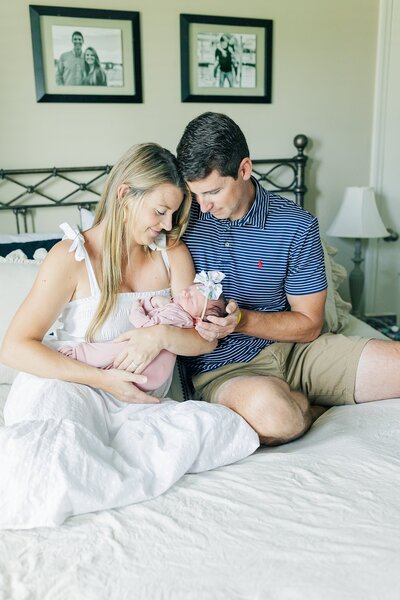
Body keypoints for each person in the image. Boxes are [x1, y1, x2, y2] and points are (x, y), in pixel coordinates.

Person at [0, 143, 259, 528]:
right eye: (160, 211)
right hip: (72, 386)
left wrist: (160, 335)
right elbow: (14, 348)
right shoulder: (71, 257)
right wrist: (104, 379)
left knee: (225, 429)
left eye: (174, 214)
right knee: (51, 457)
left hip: (138, 403)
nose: (168, 224)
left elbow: (204, 339)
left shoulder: (171, 254)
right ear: (124, 194)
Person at [176, 111, 400, 447]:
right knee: (277, 418)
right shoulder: (181, 220)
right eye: (196, 194)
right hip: (227, 369)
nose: (203, 206)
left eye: (214, 192)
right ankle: (306, 405)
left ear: (244, 169)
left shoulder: (297, 225)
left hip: (299, 352)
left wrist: (239, 320)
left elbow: (309, 324)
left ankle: (298, 397)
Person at [58, 275, 227, 396]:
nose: (184, 293)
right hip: (152, 376)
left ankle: (78, 355)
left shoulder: (178, 317)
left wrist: (136, 308)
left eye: (190, 299)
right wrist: (155, 301)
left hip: (149, 367)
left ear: (199, 318)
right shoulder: (178, 310)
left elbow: (146, 327)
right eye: (189, 290)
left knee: (113, 348)